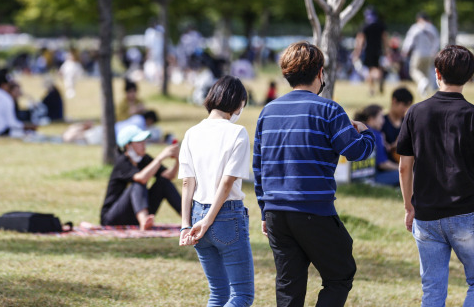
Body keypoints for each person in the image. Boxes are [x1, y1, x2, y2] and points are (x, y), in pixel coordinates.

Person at [254, 41, 375, 307]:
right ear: (321, 73)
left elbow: (258, 166)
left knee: (289, 286)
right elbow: (356, 152)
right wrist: (366, 132)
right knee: (340, 274)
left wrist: (265, 210)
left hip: (276, 213)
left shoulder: (267, 111)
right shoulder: (329, 110)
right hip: (313, 210)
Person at [398, 45, 474, 307]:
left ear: (437, 73)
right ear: (469, 76)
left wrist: (409, 206)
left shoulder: (415, 113)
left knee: (432, 289)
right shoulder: (472, 115)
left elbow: (404, 167)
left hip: (426, 215)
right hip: (466, 213)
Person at [178, 75, 254, 307]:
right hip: (226, 217)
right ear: (237, 103)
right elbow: (227, 183)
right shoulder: (237, 133)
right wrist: (209, 220)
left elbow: (187, 183)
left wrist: (186, 224)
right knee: (241, 296)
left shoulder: (191, 133)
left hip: (196, 217)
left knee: (218, 294)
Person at [100, 125, 181, 230]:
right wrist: (160, 157)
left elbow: (169, 176)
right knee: (138, 183)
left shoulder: (144, 159)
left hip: (133, 216)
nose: (144, 145)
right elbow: (141, 178)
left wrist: (178, 159)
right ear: (127, 145)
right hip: (112, 218)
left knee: (163, 182)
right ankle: (144, 221)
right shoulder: (122, 162)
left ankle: (188, 219)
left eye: (144, 141)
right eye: (139, 142)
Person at [0, 69, 36, 138]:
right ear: (3, 85)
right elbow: (11, 123)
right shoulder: (6, 97)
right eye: (8, 85)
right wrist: (27, 126)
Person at [354, 104, 399, 187]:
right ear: (371, 119)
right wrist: (401, 168)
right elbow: (382, 164)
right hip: (373, 178)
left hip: (355, 177)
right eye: (381, 117)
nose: (383, 121)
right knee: (406, 175)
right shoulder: (376, 135)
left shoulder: (357, 130)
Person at [401, 12, 440, 98]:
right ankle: (424, 93)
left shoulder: (416, 27)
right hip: (430, 55)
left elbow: (409, 40)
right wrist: (434, 51)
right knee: (426, 72)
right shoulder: (432, 28)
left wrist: (405, 51)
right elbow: (437, 41)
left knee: (414, 71)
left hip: (418, 54)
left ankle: (422, 81)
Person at [352, 7, 388, 96]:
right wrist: (387, 50)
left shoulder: (365, 26)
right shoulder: (380, 25)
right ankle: (380, 78)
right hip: (379, 51)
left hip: (368, 52)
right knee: (378, 69)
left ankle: (372, 89)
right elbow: (385, 39)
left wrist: (357, 52)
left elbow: (360, 41)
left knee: (370, 71)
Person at [381, 86, 413, 162]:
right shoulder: (381, 122)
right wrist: (393, 145)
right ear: (394, 101)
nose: (406, 109)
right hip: (388, 166)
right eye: (404, 105)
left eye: (408, 106)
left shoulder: (408, 123)